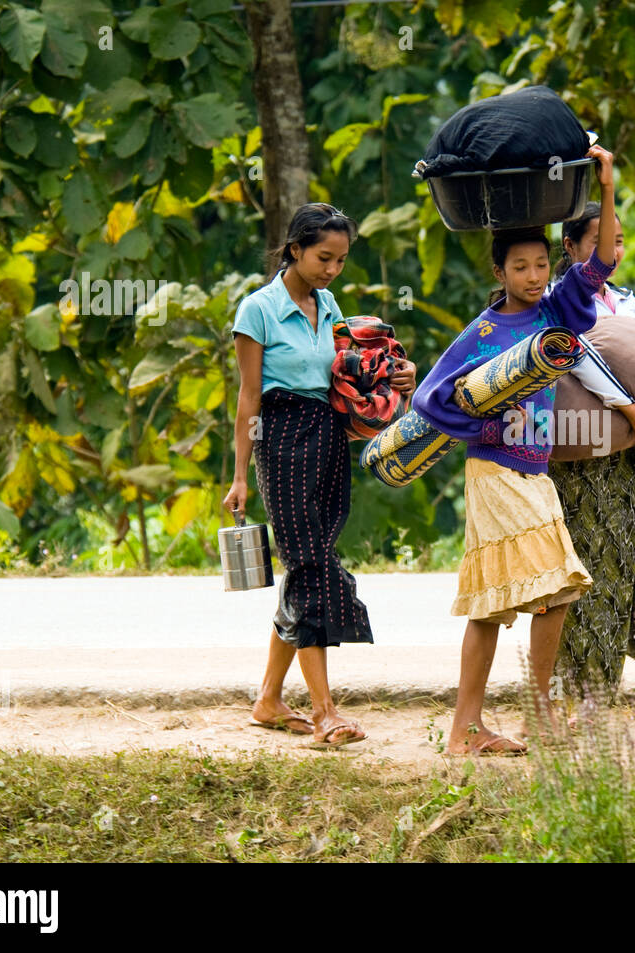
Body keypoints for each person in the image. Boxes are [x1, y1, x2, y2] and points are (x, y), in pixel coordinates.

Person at [412, 145, 620, 755]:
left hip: (536, 472)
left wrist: (605, 187)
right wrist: (486, 409)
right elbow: (431, 400)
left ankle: (517, 716)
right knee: (518, 594)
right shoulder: (481, 335)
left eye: (539, 265)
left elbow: (600, 265)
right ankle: (470, 727)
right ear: (499, 274)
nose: (533, 276)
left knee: (544, 596)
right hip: (495, 471)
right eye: (520, 267)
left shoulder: (556, 311)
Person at [222, 203, 415, 748]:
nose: (332, 270)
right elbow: (249, 398)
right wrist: (240, 475)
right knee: (311, 565)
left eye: (341, 260)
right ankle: (325, 710)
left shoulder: (327, 304)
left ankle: (268, 699)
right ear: (294, 250)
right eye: (323, 257)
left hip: (329, 435)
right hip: (281, 439)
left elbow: (349, 371)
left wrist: (402, 374)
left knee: (311, 562)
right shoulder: (257, 311)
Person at [548, 204, 635, 697]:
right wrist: (630, 410)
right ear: (571, 247)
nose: (615, 252)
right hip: (582, 452)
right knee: (598, 574)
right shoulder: (555, 299)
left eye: (621, 241)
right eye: (605, 241)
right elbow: (579, 359)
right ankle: (586, 698)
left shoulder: (626, 302)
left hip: (630, 452)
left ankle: (613, 653)